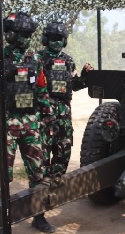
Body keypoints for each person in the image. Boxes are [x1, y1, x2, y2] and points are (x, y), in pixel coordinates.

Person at [0, 12, 56, 234]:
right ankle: (2, 220)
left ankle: (38, 216)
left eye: (27, 34)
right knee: (3, 176)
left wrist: (49, 118)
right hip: (6, 125)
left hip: (31, 125)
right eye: (20, 33)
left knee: (37, 173)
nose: (24, 38)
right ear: (9, 34)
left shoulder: (35, 61)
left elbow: (41, 90)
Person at [37, 22, 93, 177]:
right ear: (45, 39)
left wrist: (85, 76)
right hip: (44, 113)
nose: (56, 42)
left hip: (64, 114)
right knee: (43, 149)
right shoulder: (37, 59)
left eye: (60, 38)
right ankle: (41, 185)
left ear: (65, 41)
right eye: (53, 38)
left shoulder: (68, 61)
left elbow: (74, 85)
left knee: (64, 148)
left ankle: (56, 181)